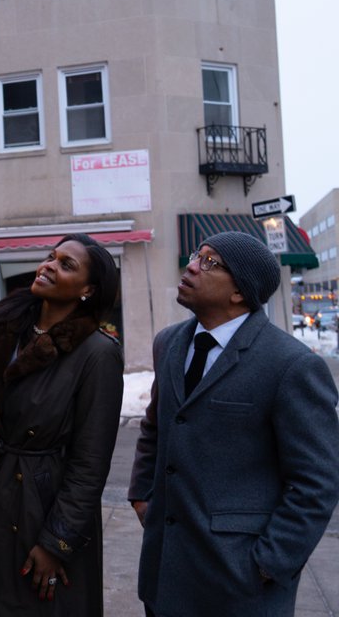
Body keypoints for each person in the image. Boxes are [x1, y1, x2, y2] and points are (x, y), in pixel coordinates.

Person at [128, 232, 339, 617]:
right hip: (164, 574)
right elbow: (155, 426)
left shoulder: (291, 365)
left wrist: (267, 563)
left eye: (210, 263)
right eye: (196, 255)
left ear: (240, 292)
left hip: (240, 589)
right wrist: (142, 496)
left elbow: (317, 483)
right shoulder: (169, 343)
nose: (192, 266)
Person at [0, 234, 123, 616]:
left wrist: (56, 542)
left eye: (66, 264)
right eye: (51, 257)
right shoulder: (1, 329)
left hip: (40, 507)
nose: (49, 265)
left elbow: (90, 463)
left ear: (88, 290)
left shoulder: (97, 354)